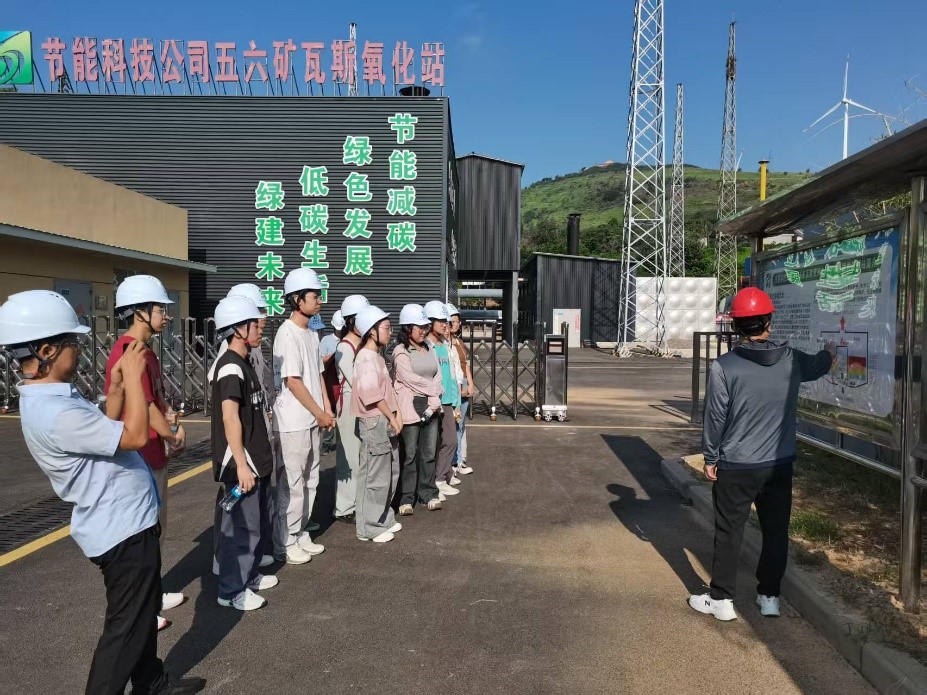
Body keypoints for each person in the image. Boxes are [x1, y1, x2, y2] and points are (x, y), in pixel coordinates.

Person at [0, 290, 205, 694]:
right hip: (120, 529)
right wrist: (134, 378)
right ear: (46, 351)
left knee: (140, 615)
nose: (78, 350)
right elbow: (134, 435)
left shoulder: (56, 397)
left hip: (129, 519)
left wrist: (116, 389)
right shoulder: (55, 413)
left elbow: (106, 426)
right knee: (125, 629)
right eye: (71, 342)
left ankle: (151, 682)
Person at [688, 287, 834, 622]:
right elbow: (819, 365)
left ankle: (722, 600)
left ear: (736, 326)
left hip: (736, 465)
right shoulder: (793, 360)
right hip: (778, 464)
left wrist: (710, 458)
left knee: (729, 531)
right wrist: (829, 353)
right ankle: (769, 597)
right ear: (768, 321)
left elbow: (715, 417)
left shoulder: (724, 367)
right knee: (775, 530)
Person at [104, 274, 186, 632]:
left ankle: (152, 594)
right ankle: (142, 610)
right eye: (159, 309)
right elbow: (146, 405)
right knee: (142, 537)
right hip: (139, 457)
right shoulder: (129, 352)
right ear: (139, 312)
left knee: (156, 531)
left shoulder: (145, 351)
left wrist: (168, 422)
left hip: (152, 453)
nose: (166, 316)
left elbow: (156, 400)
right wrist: (172, 435)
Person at [211, 296, 277, 611]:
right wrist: (241, 464)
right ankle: (231, 590)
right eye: (254, 323)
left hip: (255, 460)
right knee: (242, 529)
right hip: (243, 463)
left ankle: (248, 576)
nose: (260, 328)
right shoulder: (229, 367)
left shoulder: (243, 362)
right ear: (238, 329)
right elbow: (229, 417)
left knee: (256, 524)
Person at [272, 268, 335, 565]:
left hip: (312, 418)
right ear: (297, 299)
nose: (319, 300)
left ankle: (300, 532)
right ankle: (286, 540)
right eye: (314, 295)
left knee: (311, 479)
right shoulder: (287, 334)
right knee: (293, 483)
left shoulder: (311, 333)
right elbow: (293, 382)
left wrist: (327, 408)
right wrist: (319, 411)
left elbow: (318, 375)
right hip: (294, 421)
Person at [351, 306, 403, 543]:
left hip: (384, 419)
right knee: (374, 475)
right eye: (386, 328)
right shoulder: (365, 358)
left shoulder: (376, 356)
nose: (390, 332)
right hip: (374, 421)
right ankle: (369, 527)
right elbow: (371, 393)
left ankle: (383, 518)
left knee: (389, 470)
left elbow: (388, 390)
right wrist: (392, 416)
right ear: (371, 331)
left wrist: (396, 414)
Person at [392, 304, 444, 515]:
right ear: (407, 328)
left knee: (429, 452)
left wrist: (434, 395)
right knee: (410, 454)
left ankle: (428, 493)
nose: (424, 330)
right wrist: (434, 390)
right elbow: (409, 379)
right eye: (419, 327)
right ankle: (406, 497)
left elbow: (438, 374)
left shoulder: (430, 347)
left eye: (425, 326)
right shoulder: (401, 351)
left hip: (431, 404)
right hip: (410, 406)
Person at [333, 295, 370, 522]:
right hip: (348, 405)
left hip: (361, 403)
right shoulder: (345, 347)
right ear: (350, 321)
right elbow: (355, 379)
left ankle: (357, 502)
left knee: (360, 456)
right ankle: (344, 507)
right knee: (349, 456)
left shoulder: (361, 344)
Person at [424, 301, 461, 499]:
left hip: (446, 401)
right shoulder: (427, 347)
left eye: (446, 321)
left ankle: (440, 479)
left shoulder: (444, 346)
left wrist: (455, 403)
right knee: (434, 444)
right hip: (433, 402)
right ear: (430, 322)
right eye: (441, 321)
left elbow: (452, 376)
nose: (445, 324)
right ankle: (436, 480)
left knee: (450, 441)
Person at [446, 303, 474, 477]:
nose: (457, 324)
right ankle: (454, 461)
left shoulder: (459, 342)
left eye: (457, 321)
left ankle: (460, 458)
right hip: (455, 385)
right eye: (453, 321)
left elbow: (465, 365)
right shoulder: (447, 344)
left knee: (461, 424)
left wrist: (470, 383)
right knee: (455, 424)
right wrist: (460, 387)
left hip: (462, 381)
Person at [319, 311, 345, 455]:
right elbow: (320, 360)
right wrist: (333, 355)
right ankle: (326, 443)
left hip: (342, 381)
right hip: (330, 382)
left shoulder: (348, 340)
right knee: (330, 413)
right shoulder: (326, 340)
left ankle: (342, 443)